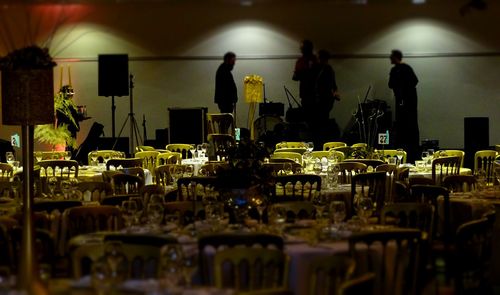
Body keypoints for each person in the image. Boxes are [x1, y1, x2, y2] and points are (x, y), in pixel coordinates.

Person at [388, 49, 420, 162]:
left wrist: (402, 89)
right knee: (406, 124)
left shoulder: (402, 69)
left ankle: (407, 149)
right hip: (406, 101)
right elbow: (391, 84)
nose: (390, 59)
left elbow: (413, 81)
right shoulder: (400, 69)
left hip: (407, 101)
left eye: (391, 57)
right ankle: (407, 148)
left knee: (406, 124)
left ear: (395, 57)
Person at [292, 40, 318, 117]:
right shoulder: (300, 61)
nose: (301, 50)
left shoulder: (315, 60)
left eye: (303, 48)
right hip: (305, 92)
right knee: (307, 114)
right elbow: (295, 77)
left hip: (315, 92)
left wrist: (302, 73)